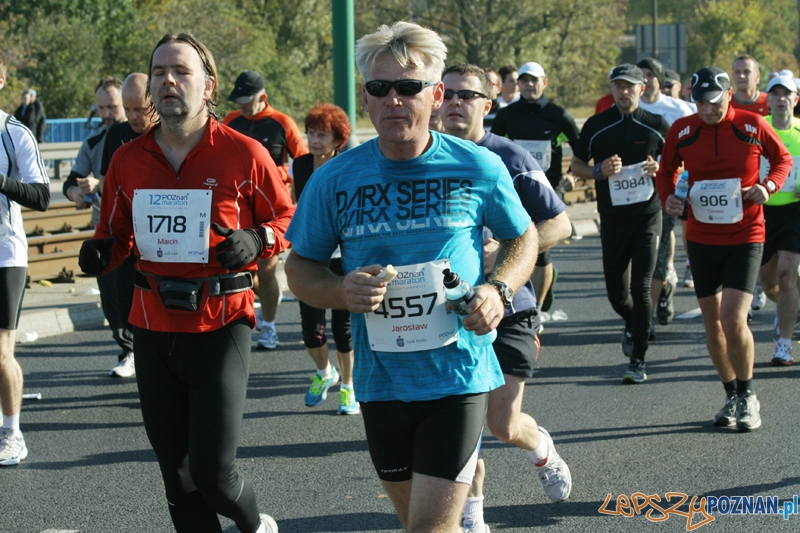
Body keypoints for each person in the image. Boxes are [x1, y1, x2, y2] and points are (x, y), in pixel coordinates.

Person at [284, 21, 538, 532]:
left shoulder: (478, 166)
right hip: (381, 382)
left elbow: (523, 237)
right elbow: (299, 268)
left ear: (437, 94)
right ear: (366, 98)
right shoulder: (335, 178)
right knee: (414, 524)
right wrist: (340, 290)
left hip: (459, 375)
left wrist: (498, 290)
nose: (394, 100)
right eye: (380, 89)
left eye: (409, 87)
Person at [78, 33, 294, 532]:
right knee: (175, 477)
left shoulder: (245, 153)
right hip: (153, 325)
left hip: (222, 322)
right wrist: (98, 255)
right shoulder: (128, 160)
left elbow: (287, 220)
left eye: (181, 71)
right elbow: (115, 238)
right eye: (159, 73)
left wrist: (256, 240)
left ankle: (257, 526)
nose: (168, 81)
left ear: (209, 85)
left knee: (213, 475)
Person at [439, 63, 573, 533]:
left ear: (487, 105)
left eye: (467, 96)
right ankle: (473, 516)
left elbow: (561, 223)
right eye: (448, 94)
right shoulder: (424, 159)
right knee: (464, 426)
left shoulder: (509, 157)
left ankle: (542, 450)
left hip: (511, 308)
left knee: (502, 423)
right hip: (451, 315)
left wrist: (509, 245)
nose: (456, 103)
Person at [656, 67, 792, 432]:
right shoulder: (682, 130)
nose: (707, 109)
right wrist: (668, 198)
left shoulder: (751, 125)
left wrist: (768, 187)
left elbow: (782, 160)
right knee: (713, 324)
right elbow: (665, 173)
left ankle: (749, 395)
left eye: (713, 103)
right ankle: (731, 393)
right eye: (699, 102)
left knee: (733, 318)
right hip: (701, 238)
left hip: (746, 234)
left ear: (729, 95)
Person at [571, 64, 670, 383]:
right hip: (612, 218)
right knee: (617, 293)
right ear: (611, 90)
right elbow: (577, 166)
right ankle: (634, 322)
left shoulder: (656, 126)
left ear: (643, 89)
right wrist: (599, 170)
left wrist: (660, 168)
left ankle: (638, 359)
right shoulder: (598, 126)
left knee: (641, 287)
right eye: (617, 86)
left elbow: (675, 166)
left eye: (629, 86)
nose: (623, 92)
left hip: (647, 217)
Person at [223, 71, 309, 351]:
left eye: (248, 101)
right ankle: (262, 308)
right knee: (244, 265)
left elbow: (305, 161)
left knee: (268, 268)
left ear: (263, 97)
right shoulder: (230, 121)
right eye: (239, 101)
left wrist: (276, 172)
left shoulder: (282, 123)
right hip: (238, 207)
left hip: (272, 205)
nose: (243, 107)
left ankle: (269, 327)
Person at [492, 61, 581, 315]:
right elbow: (491, 148)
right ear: (518, 84)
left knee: (542, 253)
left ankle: (538, 308)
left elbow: (581, 150)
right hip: (515, 192)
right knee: (515, 242)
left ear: (544, 83)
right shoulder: (507, 115)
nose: (529, 85)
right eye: (524, 80)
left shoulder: (559, 114)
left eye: (534, 80)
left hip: (549, 190)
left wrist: (572, 174)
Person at [63, 76, 136, 377]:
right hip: (105, 229)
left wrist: (101, 182)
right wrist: (77, 193)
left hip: (136, 230)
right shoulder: (93, 142)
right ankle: (127, 350)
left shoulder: (138, 136)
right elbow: (71, 180)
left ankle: (142, 351)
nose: (107, 113)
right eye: (102, 107)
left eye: (113, 106)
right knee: (112, 297)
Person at [290, 103, 359, 415]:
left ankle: (348, 387)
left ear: (338, 139)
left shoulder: (349, 168)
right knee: (311, 331)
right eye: (311, 134)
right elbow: (298, 209)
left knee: (343, 330)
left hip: (344, 257)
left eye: (322, 135)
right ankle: (324, 373)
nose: (314, 140)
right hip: (312, 258)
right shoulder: (299, 165)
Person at [91, 73, 159, 379]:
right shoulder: (117, 135)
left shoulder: (169, 133)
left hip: (158, 236)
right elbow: (108, 184)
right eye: (128, 110)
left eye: (139, 110)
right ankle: (129, 351)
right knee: (118, 298)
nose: (132, 117)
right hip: (124, 235)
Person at [0, 53, 50, 466]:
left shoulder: (13, 132)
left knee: (1, 353)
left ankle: (12, 433)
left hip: (5, 255)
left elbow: (42, 197)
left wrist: (0, 181)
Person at [636, 58, 694, 330]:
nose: (645, 81)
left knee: (658, 249)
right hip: (631, 193)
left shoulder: (678, 109)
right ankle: (660, 292)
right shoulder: (625, 107)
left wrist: (669, 167)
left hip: (667, 188)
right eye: (641, 76)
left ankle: (644, 319)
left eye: (650, 76)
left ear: (661, 80)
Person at [758, 75, 800, 366]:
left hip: (795, 212)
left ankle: (784, 344)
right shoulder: (758, 129)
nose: (781, 99)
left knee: (787, 276)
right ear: (768, 100)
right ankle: (788, 309)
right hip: (761, 213)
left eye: (787, 94)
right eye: (776, 94)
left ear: (796, 100)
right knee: (769, 282)